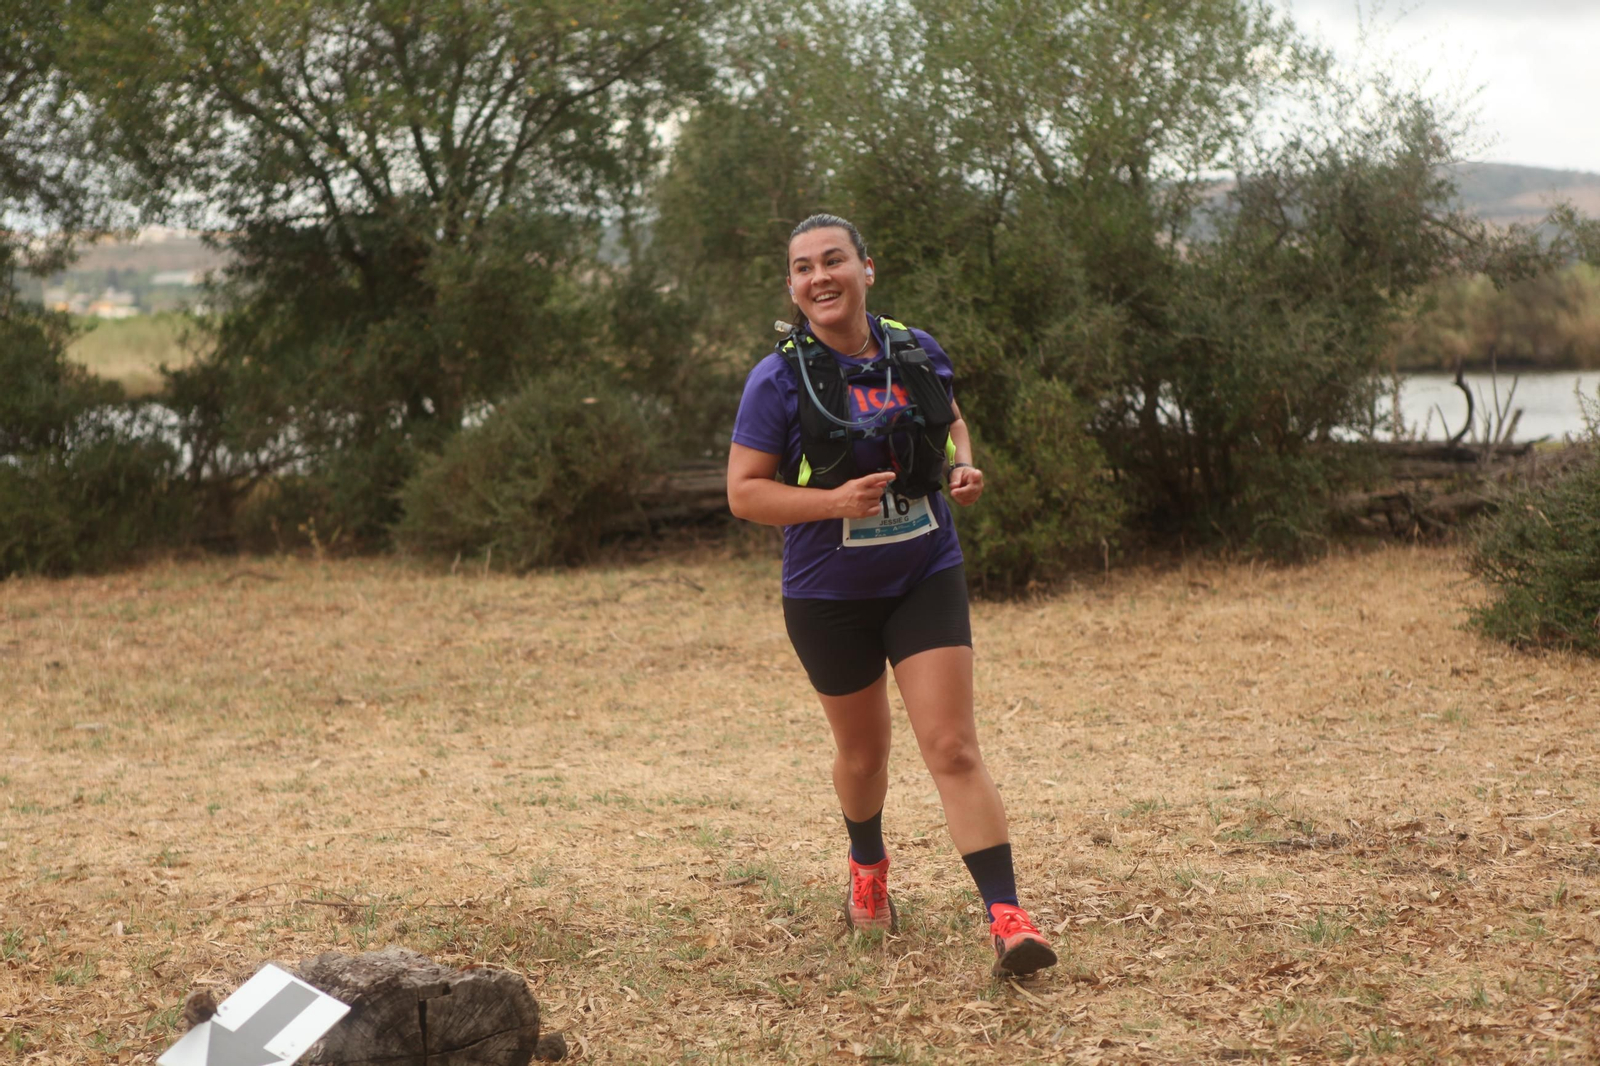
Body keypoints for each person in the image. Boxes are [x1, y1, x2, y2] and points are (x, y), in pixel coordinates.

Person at [725, 213, 1057, 978]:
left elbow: (951, 421)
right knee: (864, 753)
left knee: (951, 745)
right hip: (826, 593)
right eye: (804, 267)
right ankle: (867, 869)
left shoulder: (915, 348)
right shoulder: (778, 378)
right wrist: (834, 502)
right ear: (793, 287)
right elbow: (744, 494)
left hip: (922, 570)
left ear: (866, 269)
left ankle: (1008, 920)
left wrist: (961, 468)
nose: (820, 277)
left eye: (833, 260)